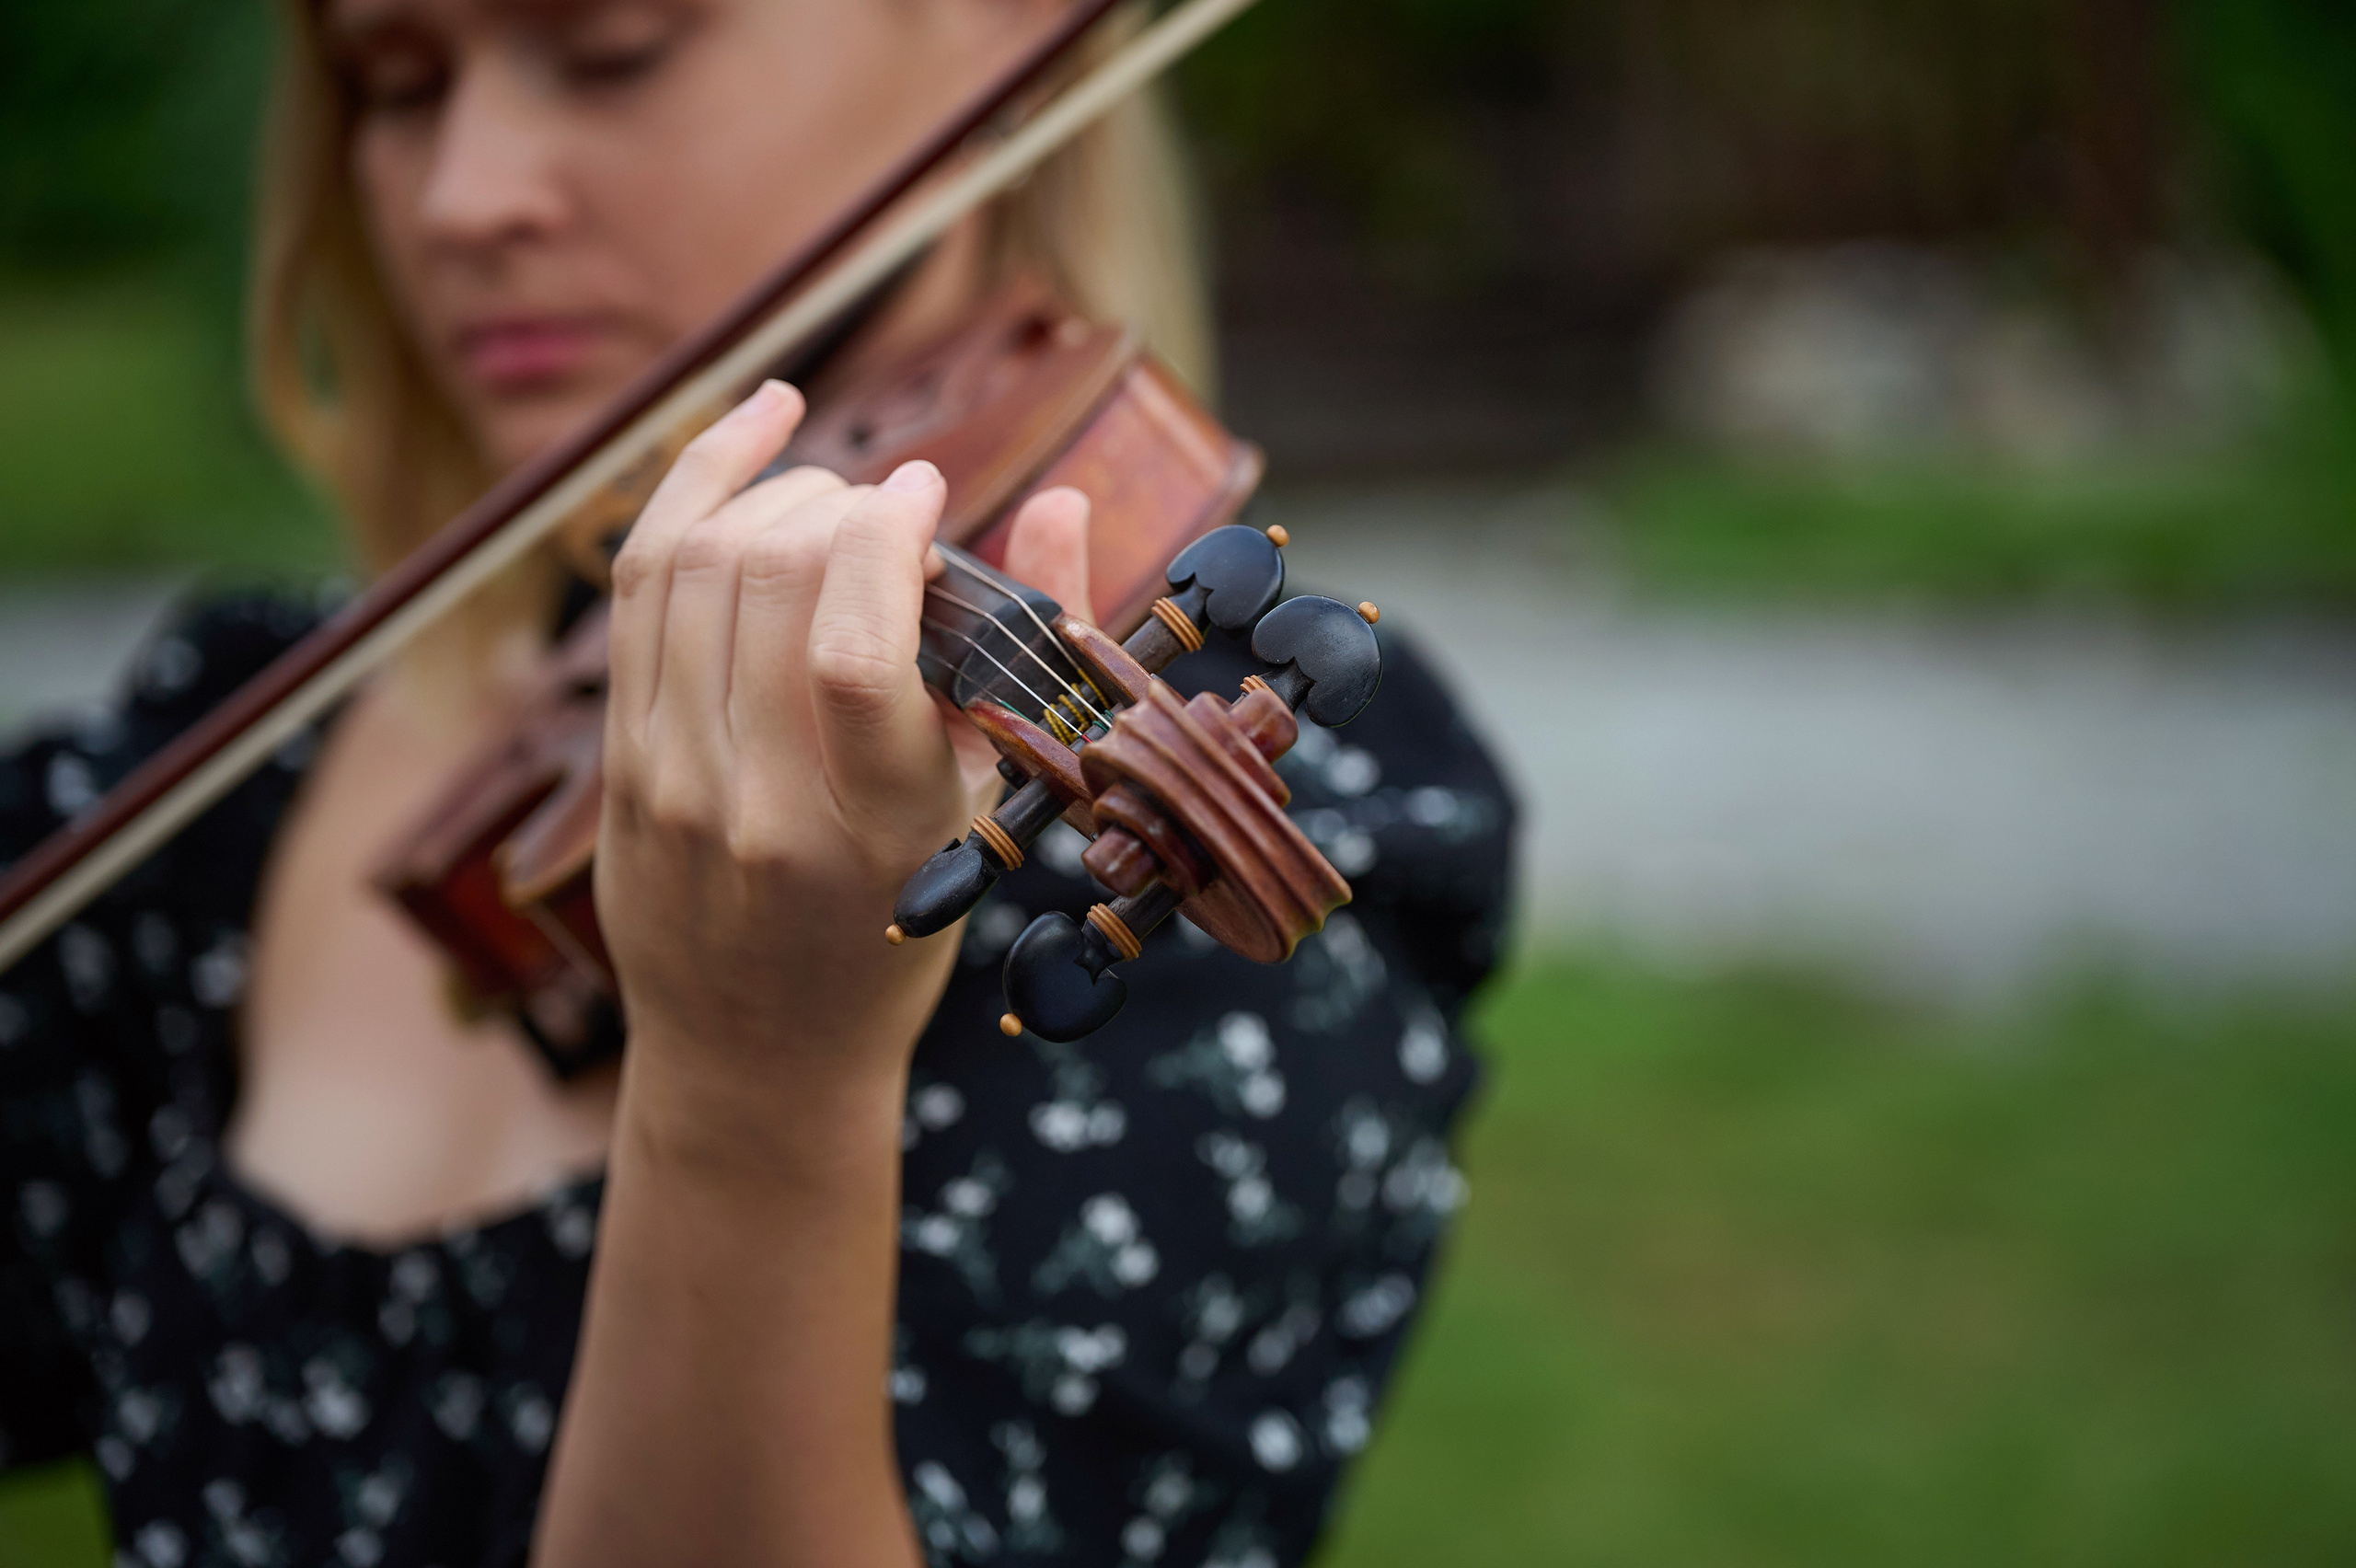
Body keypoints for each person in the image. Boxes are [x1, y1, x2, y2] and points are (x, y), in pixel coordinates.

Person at [0, 0, 1516, 1562]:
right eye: (396, 84)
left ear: (1013, 39)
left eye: (611, 50)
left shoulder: (1282, 910)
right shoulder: (227, 754)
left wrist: (755, 1101)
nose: (463, 194)